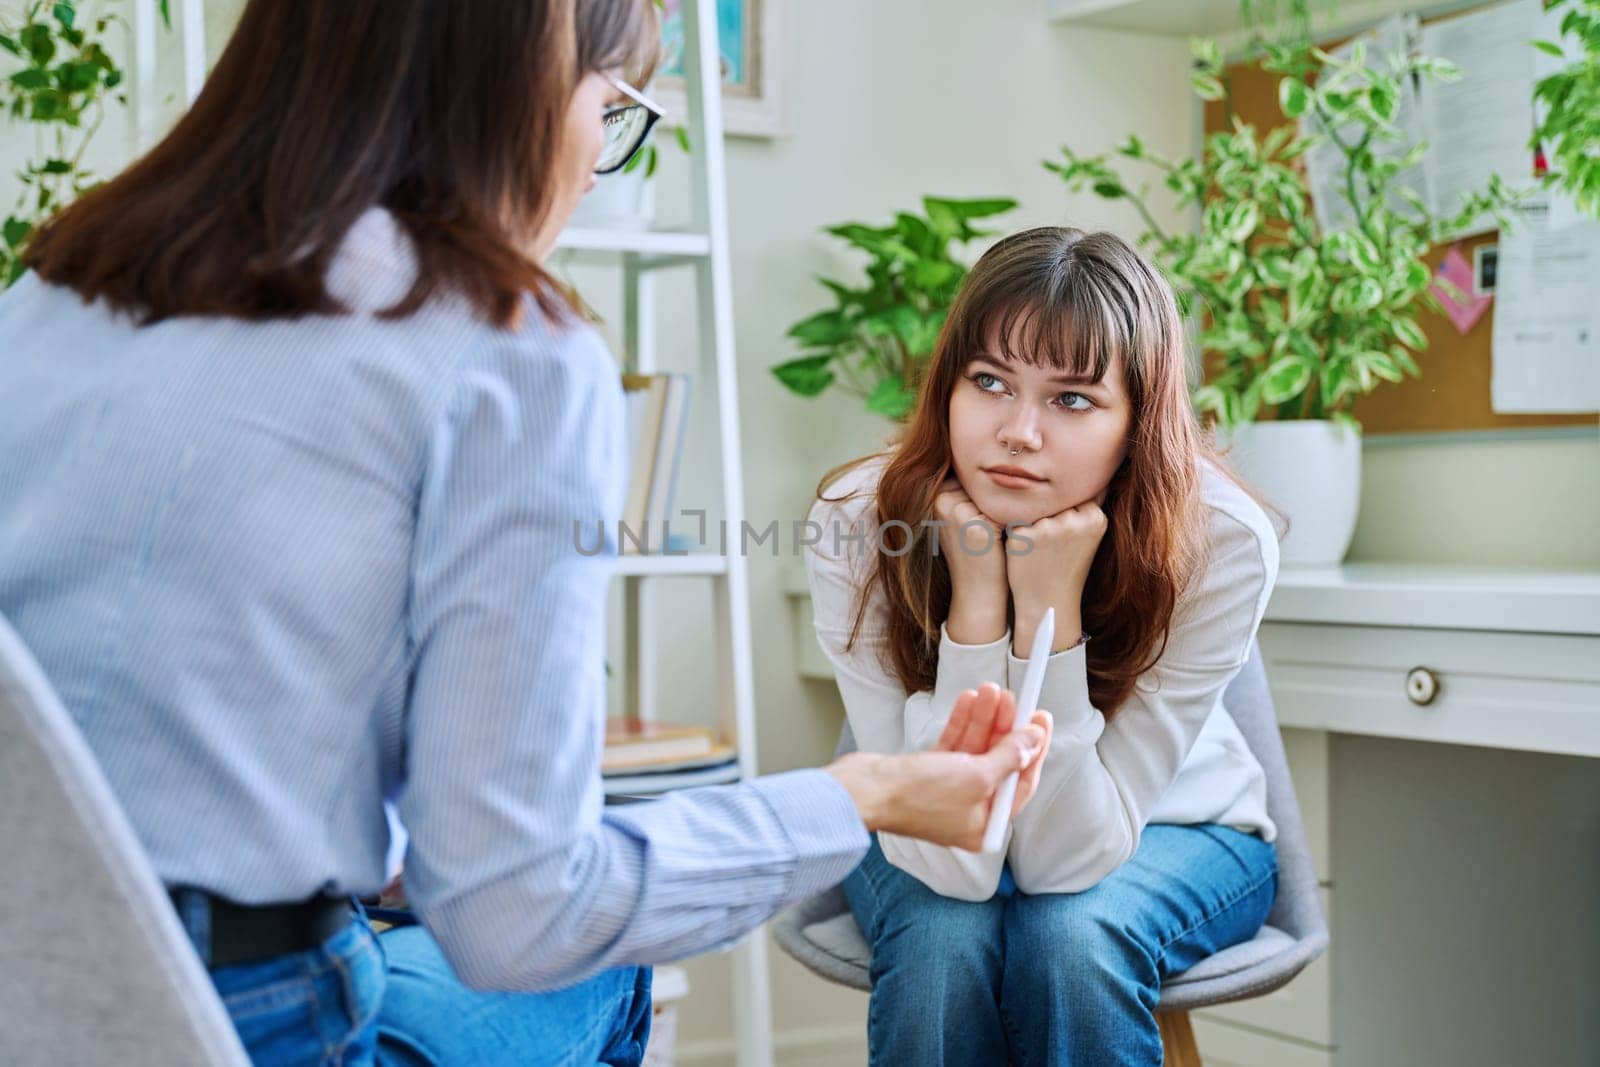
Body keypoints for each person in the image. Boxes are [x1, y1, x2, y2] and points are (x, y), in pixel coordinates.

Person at [0, 2, 1048, 1063]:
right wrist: (861, 794)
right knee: (600, 958)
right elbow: (520, 908)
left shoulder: (56, 289)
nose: (598, 162)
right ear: (525, 87)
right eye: (611, 107)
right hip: (249, 1015)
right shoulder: (506, 349)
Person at [804, 226, 1284, 1066]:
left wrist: (1048, 610)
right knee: (943, 942)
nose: (1018, 432)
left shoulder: (1220, 540)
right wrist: (979, 605)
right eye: (989, 381)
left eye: (1072, 399)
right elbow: (956, 866)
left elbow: (1064, 864)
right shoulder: (855, 522)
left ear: (1137, 421)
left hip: (1176, 822)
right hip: (920, 842)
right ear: (947, 386)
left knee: (1073, 938)